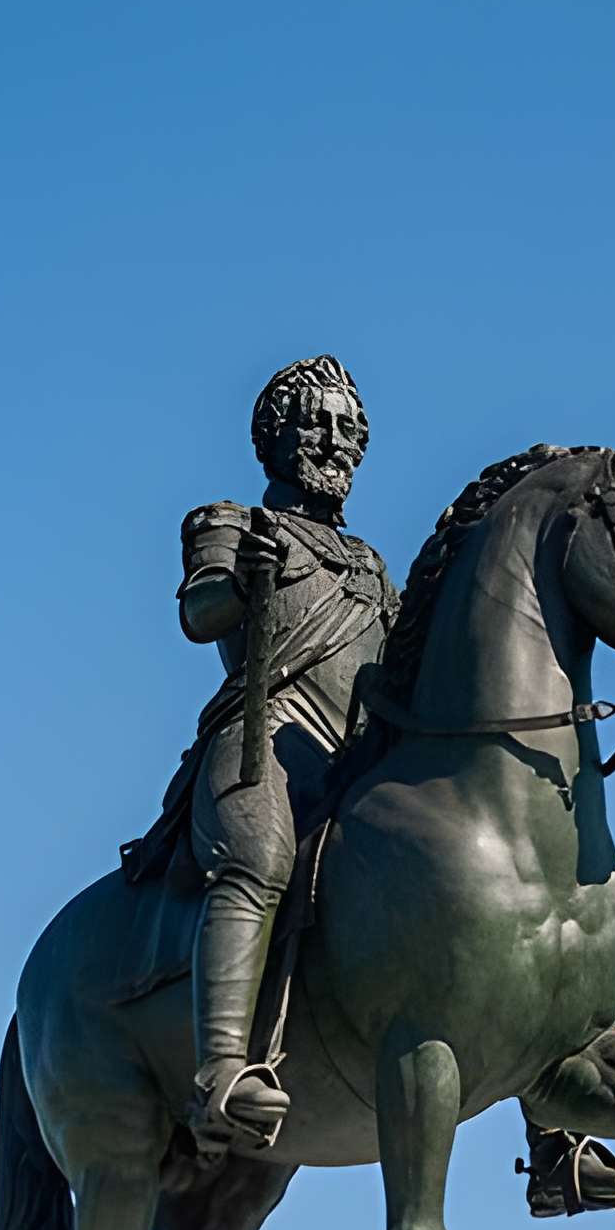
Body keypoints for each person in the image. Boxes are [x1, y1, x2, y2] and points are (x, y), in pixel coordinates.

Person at [126, 356, 396, 1154]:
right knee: (258, 858)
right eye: (315, 423)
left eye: (349, 429)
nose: (334, 441)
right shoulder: (232, 523)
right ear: (274, 439)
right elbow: (201, 613)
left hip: (353, 759)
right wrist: (243, 579)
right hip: (263, 736)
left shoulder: (374, 567)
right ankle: (220, 1080)